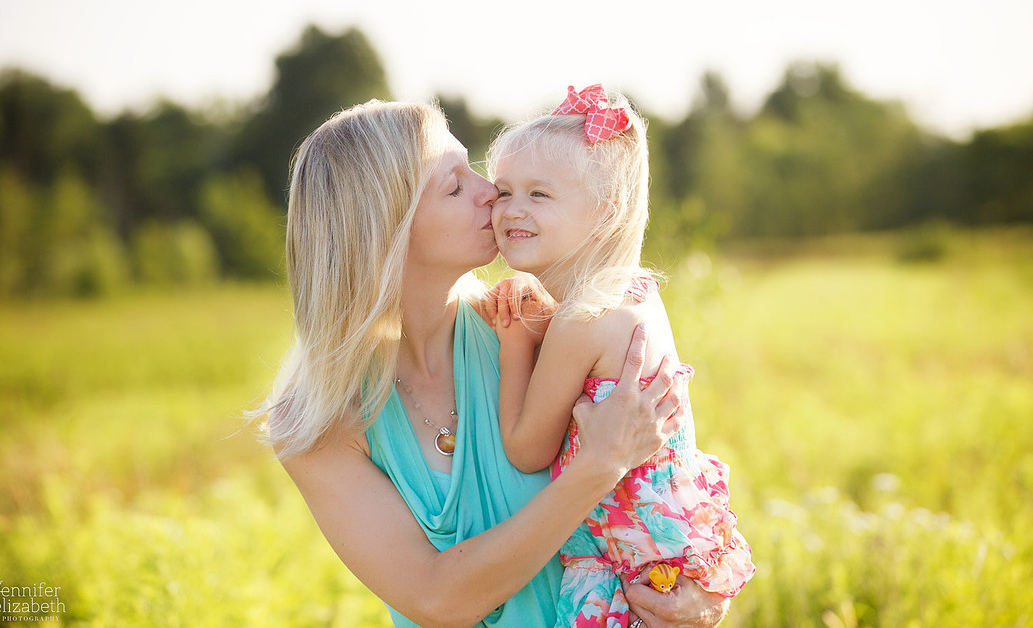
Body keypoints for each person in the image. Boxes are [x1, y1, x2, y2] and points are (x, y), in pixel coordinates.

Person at [251, 98, 731, 627]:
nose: (493, 193)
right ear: (385, 230)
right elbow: (437, 599)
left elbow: (663, 477)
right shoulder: (315, 422)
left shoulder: (530, 324)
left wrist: (698, 592)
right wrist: (597, 467)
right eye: (456, 186)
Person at [484, 85, 755, 626]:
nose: (512, 208)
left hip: (618, 576)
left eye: (540, 194)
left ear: (606, 211)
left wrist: (515, 340)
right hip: (670, 557)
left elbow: (526, 448)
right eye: (502, 191)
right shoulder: (636, 294)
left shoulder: (580, 321)